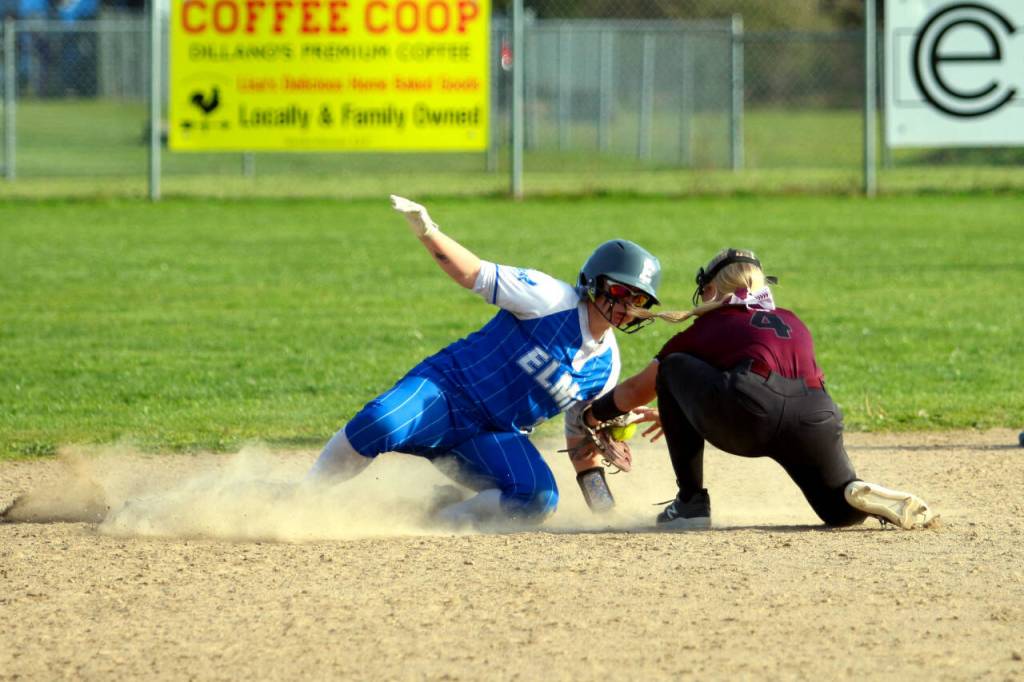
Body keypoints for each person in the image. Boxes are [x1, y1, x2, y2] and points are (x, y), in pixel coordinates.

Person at [306, 195, 663, 525]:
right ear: (593, 282)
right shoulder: (550, 298)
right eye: (619, 291)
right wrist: (428, 231)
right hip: (445, 393)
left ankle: (430, 520)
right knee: (378, 424)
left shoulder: (606, 368)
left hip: (494, 437)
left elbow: (581, 446)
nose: (627, 306)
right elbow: (472, 273)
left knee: (537, 500)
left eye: (639, 301)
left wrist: (606, 512)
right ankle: (302, 498)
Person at [581, 248, 938, 530]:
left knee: (672, 368)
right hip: (817, 416)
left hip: (750, 412)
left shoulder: (710, 325)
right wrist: (682, 414)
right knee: (839, 514)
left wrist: (594, 414)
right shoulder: (790, 319)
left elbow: (642, 388)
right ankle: (853, 490)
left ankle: (691, 503)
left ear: (710, 291)